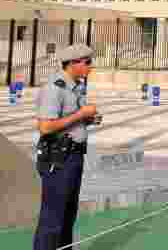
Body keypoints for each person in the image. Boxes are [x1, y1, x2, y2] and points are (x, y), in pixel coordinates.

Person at [33, 44, 101, 250]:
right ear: (73, 63)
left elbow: (67, 121)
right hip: (59, 159)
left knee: (67, 215)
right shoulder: (56, 88)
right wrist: (81, 115)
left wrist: (87, 120)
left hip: (74, 156)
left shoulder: (76, 86)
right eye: (87, 62)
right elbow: (45, 126)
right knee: (53, 218)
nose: (91, 67)